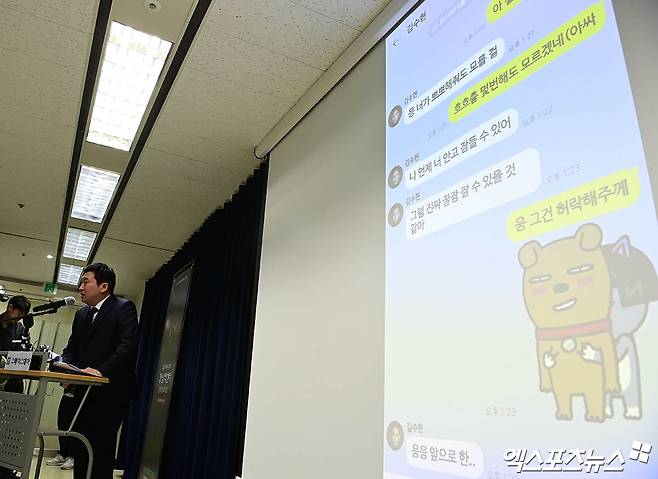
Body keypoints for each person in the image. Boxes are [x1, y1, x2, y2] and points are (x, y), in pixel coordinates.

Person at [61, 263, 139, 479]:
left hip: (110, 393)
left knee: (100, 448)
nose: (80, 287)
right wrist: (66, 369)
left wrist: (100, 372)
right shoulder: (81, 314)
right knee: (80, 447)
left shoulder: (123, 308)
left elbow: (127, 346)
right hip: (82, 392)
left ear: (104, 286)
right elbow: (71, 349)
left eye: (85, 282)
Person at [0, 295, 32, 393]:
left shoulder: (20, 329)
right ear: (10, 307)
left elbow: (22, 353)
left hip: (11, 377)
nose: (19, 319)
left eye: (21, 317)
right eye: (18, 314)